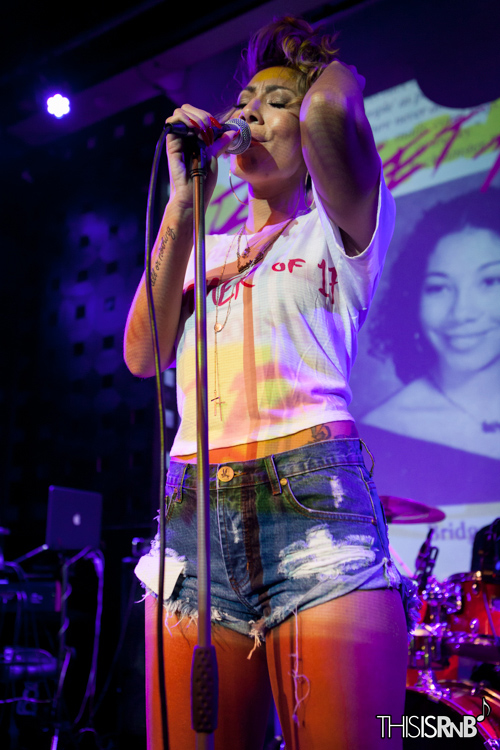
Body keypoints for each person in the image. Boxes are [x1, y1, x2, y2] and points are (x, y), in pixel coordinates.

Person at [124, 16, 416, 750]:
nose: (250, 113)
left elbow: (331, 108)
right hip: (195, 517)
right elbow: (141, 354)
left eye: (276, 103)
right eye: (244, 101)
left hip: (314, 507)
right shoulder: (203, 247)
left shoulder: (339, 228)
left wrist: (319, 68)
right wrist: (184, 202)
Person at [362, 188, 500, 460]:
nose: (461, 313)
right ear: (412, 299)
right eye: (438, 287)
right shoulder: (383, 432)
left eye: (489, 281)